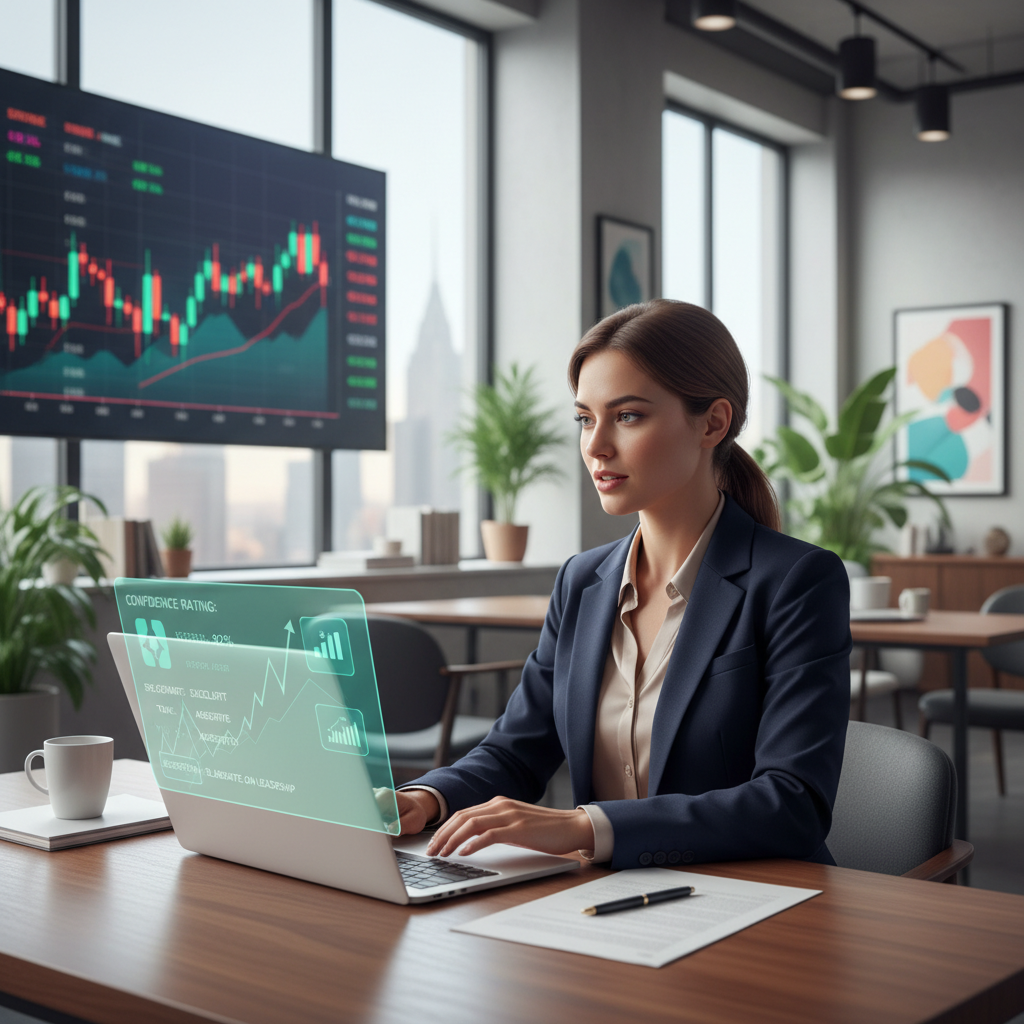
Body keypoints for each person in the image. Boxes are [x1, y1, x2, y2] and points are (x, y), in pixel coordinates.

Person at [395, 299, 851, 869]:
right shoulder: (582, 582)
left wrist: (585, 826)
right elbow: (516, 752)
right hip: (610, 901)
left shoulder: (796, 581)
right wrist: (422, 799)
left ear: (713, 422)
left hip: (758, 902)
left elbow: (792, 803)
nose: (595, 445)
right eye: (585, 418)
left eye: (628, 416)